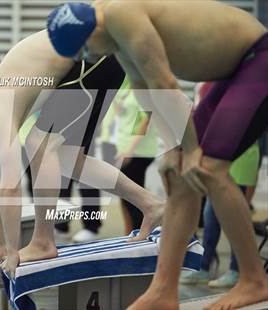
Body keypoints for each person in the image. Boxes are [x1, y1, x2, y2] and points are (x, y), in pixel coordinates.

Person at [46, 1, 268, 309]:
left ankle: (253, 279)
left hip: (258, 59)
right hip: (234, 71)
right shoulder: (113, 36)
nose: (90, 58)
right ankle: (164, 290)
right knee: (179, 175)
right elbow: (144, 89)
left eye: (86, 50)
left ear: (92, 30)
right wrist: (173, 149)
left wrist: (189, 150)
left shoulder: (120, 15)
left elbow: (165, 83)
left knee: (209, 168)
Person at [0, 29, 164, 278]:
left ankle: (43, 241)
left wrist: (12, 252)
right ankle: (151, 204)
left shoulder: (0, 108)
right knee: (68, 158)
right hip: (94, 58)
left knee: (38, 144)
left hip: (95, 56)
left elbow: (11, 188)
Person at [181, 83, 261, 288]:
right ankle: (204, 266)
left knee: (236, 216)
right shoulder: (206, 83)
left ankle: (237, 270)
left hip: (241, 156)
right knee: (210, 218)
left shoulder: (243, 82)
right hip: (215, 154)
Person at [101, 77, 157, 235]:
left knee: (134, 198)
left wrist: (129, 150)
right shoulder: (127, 88)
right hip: (123, 147)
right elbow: (119, 112)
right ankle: (130, 232)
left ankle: (141, 233)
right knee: (125, 196)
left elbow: (145, 121)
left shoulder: (145, 91)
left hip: (138, 151)